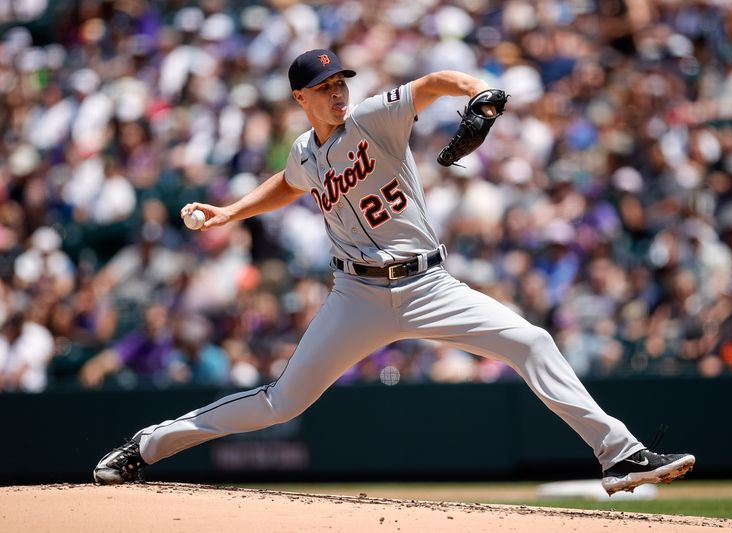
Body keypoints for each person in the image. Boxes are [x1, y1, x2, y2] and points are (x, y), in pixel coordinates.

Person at [93, 49, 695, 495]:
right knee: (282, 403)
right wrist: (231, 210)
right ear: (301, 99)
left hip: (429, 285)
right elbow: (288, 182)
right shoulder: (306, 150)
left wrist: (479, 90)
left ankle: (621, 454)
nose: (337, 93)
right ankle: (144, 446)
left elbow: (435, 83)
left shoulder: (373, 118)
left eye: (340, 82)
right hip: (354, 294)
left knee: (532, 341)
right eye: (324, 87)